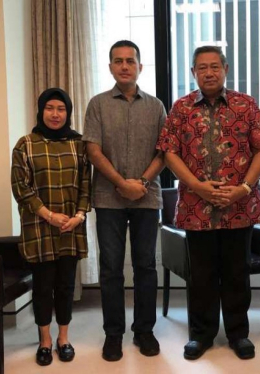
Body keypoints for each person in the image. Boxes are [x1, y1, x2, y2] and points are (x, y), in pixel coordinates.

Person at [157, 46, 260, 361]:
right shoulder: (181, 108)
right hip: (197, 209)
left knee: (237, 273)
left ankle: (238, 334)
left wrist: (244, 187)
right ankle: (201, 335)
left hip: (240, 206)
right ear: (193, 72)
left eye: (214, 67)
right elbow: (169, 152)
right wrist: (197, 186)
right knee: (202, 276)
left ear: (225, 69)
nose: (209, 73)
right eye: (201, 68)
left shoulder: (246, 104)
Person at [82, 40, 167, 362]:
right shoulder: (98, 104)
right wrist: (120, 183)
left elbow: (164, 153)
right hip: (108, 198)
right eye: (118, 61)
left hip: (146, 197)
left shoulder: (156, 106)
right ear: (110, 67)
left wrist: (141, 183)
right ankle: (113, 335)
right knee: (111, 268)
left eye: (130, 60)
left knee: (146, 266)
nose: (124, 66)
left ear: (140, 67)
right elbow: (93, 150)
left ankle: (145, 331)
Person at [11, 88, 91, 366]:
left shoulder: (79, 144)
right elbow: (21, 187)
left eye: (61, 109)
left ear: (68, 113)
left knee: (66, 286)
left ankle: (63, 338)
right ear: (41, 111)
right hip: (40, 228)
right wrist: (48, 215)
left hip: (70, 226)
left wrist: (80, 215)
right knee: (43, 287)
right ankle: (45, 340)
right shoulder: (26, 144)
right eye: (50, 108)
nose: (55, 114)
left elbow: (85, 184)